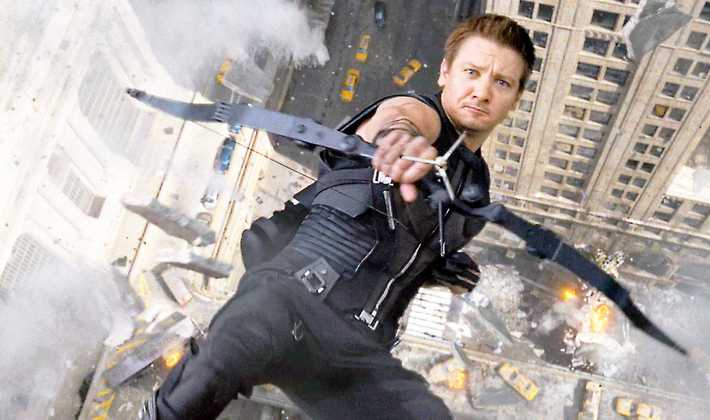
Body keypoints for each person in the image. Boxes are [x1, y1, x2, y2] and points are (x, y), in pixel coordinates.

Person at [140, 14, 535, 420]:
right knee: (230, 353)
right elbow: (398, 118)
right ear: (445, 72)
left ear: (516, 98)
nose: (482, 91)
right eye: (471, 72)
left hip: (354, 351)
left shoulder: (475, 188)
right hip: (291, 299)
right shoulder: (419, 114)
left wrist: (438, 268)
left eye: (501, 82)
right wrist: (399, 139)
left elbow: (395, 245)